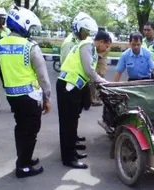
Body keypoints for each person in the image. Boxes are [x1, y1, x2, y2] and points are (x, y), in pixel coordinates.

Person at [0, 6, 52, 178]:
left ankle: (25, 159)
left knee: (21, 129)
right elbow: (43, 78)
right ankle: (23, 166)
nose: (30, 31)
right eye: (30, 28)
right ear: (23, 25)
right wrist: (47, 98)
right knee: (31, 131)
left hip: (12, 97)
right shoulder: (31, 47)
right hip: (30, 97)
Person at [56, 26, 112, 169]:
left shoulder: (90, 49)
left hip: (74, 87)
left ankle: (72, 152)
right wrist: (104, 82)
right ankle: (68, 159)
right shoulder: (87, 45)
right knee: (67, 124)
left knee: (73, 122)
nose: (106, 50)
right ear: (101, 41)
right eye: (106, 46)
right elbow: (88, 70)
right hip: (68, 87)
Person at [59, 12, 95, 149]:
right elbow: (67, 64)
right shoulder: (70, 42)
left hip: (78, 83)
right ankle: (70, 144)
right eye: (85, 31)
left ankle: (73, 138)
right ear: (78, 29)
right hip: (70, 83)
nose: (87, 34)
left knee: (75, 115)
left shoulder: (80, 41)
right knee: (69, 118)